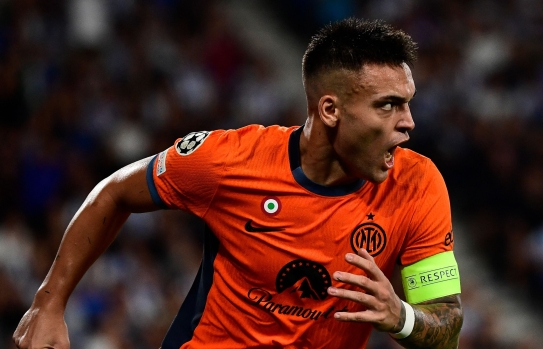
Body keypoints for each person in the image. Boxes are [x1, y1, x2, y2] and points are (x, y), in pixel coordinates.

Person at [14, 18, 463, 349]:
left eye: (407, 104)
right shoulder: (228, 161)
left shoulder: (417, 185)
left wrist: (400, 317)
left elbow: (446, 323)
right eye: (389, 106)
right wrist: (48, 304)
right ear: (331, 110)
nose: (409, 123)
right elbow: (114, 193)